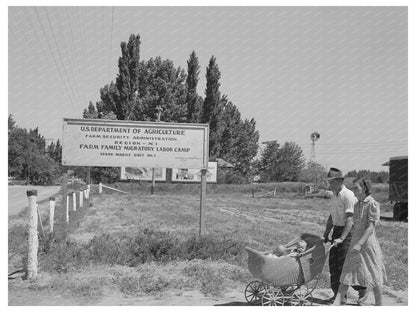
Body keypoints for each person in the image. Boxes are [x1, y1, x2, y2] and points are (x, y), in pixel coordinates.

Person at [333, 178, 386, 306]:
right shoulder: (356, 205)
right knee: (346, 272)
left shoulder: (372, 204)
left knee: (374, 274)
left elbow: (371, 227)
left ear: (365, 188)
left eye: (356, 188)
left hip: (367, 244)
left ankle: (379, 304)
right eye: (353, 188)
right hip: (355, 243)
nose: (354, 190)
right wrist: (341, 238)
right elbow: (351, 223)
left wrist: (360, 243)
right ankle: (336, 303)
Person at [323, 168, 366, 303]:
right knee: (333, 265)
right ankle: (338, 296)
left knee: (345, 266)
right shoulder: (335, 195)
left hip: (347, 234)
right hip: (337, 230)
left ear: (337, 181)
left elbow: (350, 219)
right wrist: (326, 232)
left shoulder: (348, 196)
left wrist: (342, 238)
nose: (329, 185)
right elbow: (332, 216)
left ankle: (362, 288)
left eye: (330, 182)